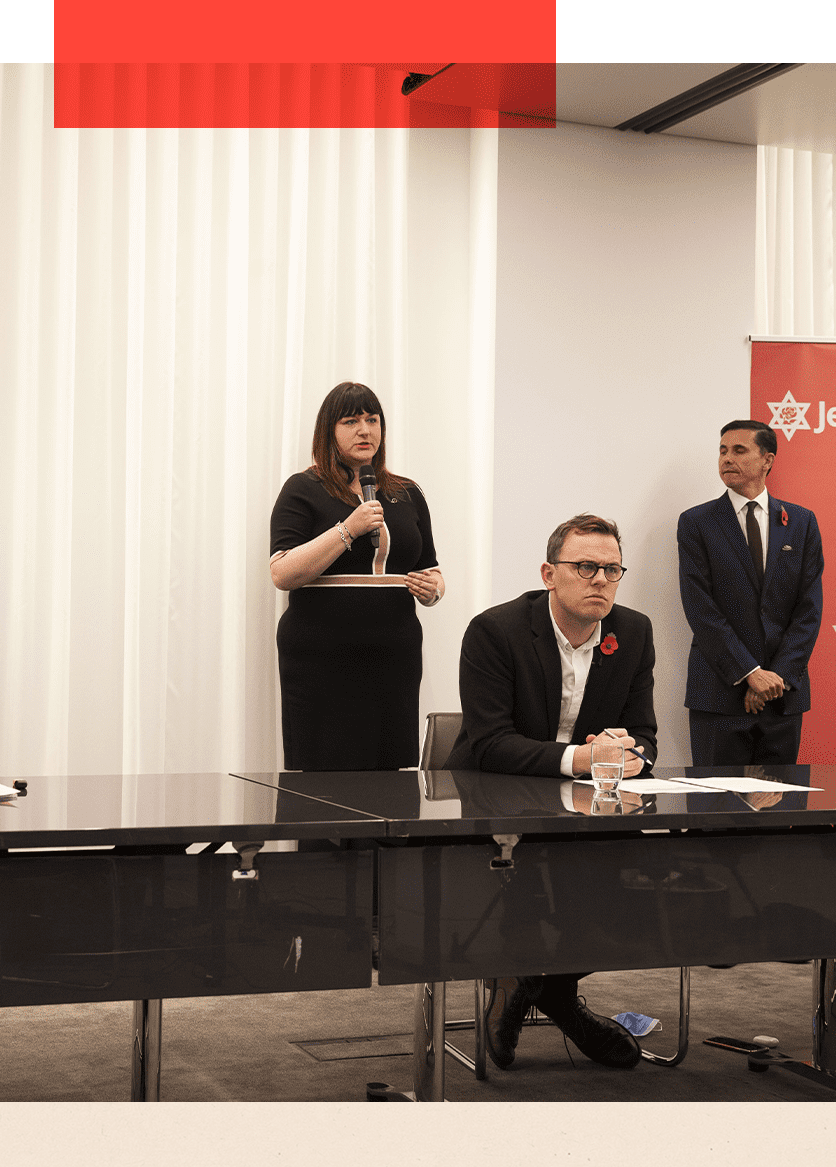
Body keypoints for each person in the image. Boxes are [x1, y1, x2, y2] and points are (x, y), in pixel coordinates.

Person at [445, 513, 655, 1070]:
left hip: (583, 805)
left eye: (612, 569)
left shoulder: (633, 632)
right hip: (494, 797)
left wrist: (631, 755)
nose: (600, 580)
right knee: (547, 862)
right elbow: (489, 744)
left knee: (634, 862)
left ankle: (536, 987)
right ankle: (553, 996)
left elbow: (646, 734)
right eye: (585, 566)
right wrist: (585, 759)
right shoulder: (495, 630)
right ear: (548, 573)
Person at [268, 381, 443, 770]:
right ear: (328, 431)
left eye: (372, 419)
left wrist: (433, 590)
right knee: (320, 779)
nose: (365, 430)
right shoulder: (303, 488)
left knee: (388, 779)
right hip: (321, 658)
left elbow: (430, 568)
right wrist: (348, 528)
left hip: (393, 656)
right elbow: (282, 572)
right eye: (351, 421)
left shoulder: (407, 492)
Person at [677, 420, 824, 765]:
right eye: (723, 450)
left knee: (778, 807)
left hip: (782, 697)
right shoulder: (697, 523)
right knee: (716, 813)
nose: (727, 458)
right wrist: (750, 674)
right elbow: (700, 608)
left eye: (739, 450)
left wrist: (777, 678)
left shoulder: (801, 522)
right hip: (719, 695)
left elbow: (809, 609)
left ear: (767, 460)